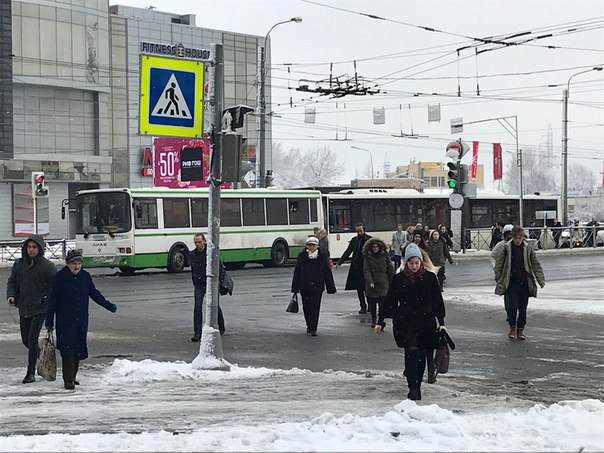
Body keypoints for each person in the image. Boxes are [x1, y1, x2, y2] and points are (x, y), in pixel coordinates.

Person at [374, 243, 446, 401]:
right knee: (410, 354)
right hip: (406, 321)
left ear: (421, 262)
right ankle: (412, 386)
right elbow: (390, 300)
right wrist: (380, 320)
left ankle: (417, 385)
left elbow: (437, 302)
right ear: (406, 262)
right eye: (411, 262)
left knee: (420, 355)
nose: (414, 266)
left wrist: (441, 322)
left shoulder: (430, 278)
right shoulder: (399, 279)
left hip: (425, 321)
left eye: (417, 262)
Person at [45, 250, 117, 390]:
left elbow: (94, 293)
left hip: (81, 319)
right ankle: (68, 379)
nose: (77, 267)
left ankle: (73, 375)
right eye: (74, 264)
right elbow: (52, 301)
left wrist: (108, 305)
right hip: (65, 320)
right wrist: (49, 321)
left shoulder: (85, 276)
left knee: (77, 348)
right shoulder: (59, 277)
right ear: (67, 264)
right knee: (67, 349)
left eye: (79, 263)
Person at [6, 235, 57, 384]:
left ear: (40, 248)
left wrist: (48, 299)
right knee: (26, 340)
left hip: (40, 308)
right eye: (29, 247)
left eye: (34, 247)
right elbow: (12, 281)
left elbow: (56, 284)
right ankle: (40, 355)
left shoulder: (46, 266)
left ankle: (30, 373)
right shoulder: (20, 264)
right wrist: (11, 295)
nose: (31, 250)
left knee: (32, 339)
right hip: (24, 307)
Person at [493, 226, 545, 340]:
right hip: (511, 282)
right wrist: (498, 278)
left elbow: (535, 265)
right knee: (513, 306)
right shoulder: (506, 248)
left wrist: (540, 280)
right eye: (516, 238)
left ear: (523, 237)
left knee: (523, 308)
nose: (518, 240)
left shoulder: (528, 249)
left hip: (524, 282)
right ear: (512, 237)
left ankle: (520, 330)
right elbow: (499, 264)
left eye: (520, 238)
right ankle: (512, 327)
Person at [291, 236, 337, 336]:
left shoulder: (322, 256)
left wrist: (331, 287)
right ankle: (309, 325)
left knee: (315, 307)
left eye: (313, 245)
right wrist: (295, 287)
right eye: (310, 245)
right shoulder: (302, 256)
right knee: (306, 307)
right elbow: (297, 272)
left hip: (317, 286)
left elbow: (327, 272)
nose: (311, 247)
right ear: (307, 246)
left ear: (317, 246)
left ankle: (313, 328)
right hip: (304, 286)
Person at [190, 233, 226, 341]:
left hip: (210, 283)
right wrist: (195, 282)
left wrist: (218, 282)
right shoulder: (193, 254)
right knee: (197, 307)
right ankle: (197, 333)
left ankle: (221, 325)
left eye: (199, 242)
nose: (197, 244)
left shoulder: (210, 253)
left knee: (213, 305)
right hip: (199, 284)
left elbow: (219, 268)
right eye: (195, 242)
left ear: (204, 241)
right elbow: (193, 269)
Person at [336, 223, 372, 314]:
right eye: (357, 231)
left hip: (367, 267)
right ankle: (363, 306)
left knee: (367, 288)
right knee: (359, 288)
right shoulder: (354, 240)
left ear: (364, 230)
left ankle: (370, 305)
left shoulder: (369, 240)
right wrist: (340, 262)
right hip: (356, 268)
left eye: (360, 231)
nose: (359, 233)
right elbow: (348, 251)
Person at [362, 238, 395, 327]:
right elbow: (366, 271)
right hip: (372, 283)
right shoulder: (368, 257)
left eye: (377, 247)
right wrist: (370, 282)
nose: (375, 248)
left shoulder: (384, 256)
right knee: (373, 303)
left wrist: (394, 279)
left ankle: (380, 321)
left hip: (383, 282)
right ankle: (373, 319)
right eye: (373, 247)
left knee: (382, 303)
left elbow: (390, 268)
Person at [490, 224, 514, 321]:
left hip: (516, 274)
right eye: (507, 234)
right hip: (505, 275)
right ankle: (509, 312)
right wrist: (496, 268)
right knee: (507, 294)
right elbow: (492, 256)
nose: (509, 237)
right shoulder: (501, 245)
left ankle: (515, 310)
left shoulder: (518, 244)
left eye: (511, 234)